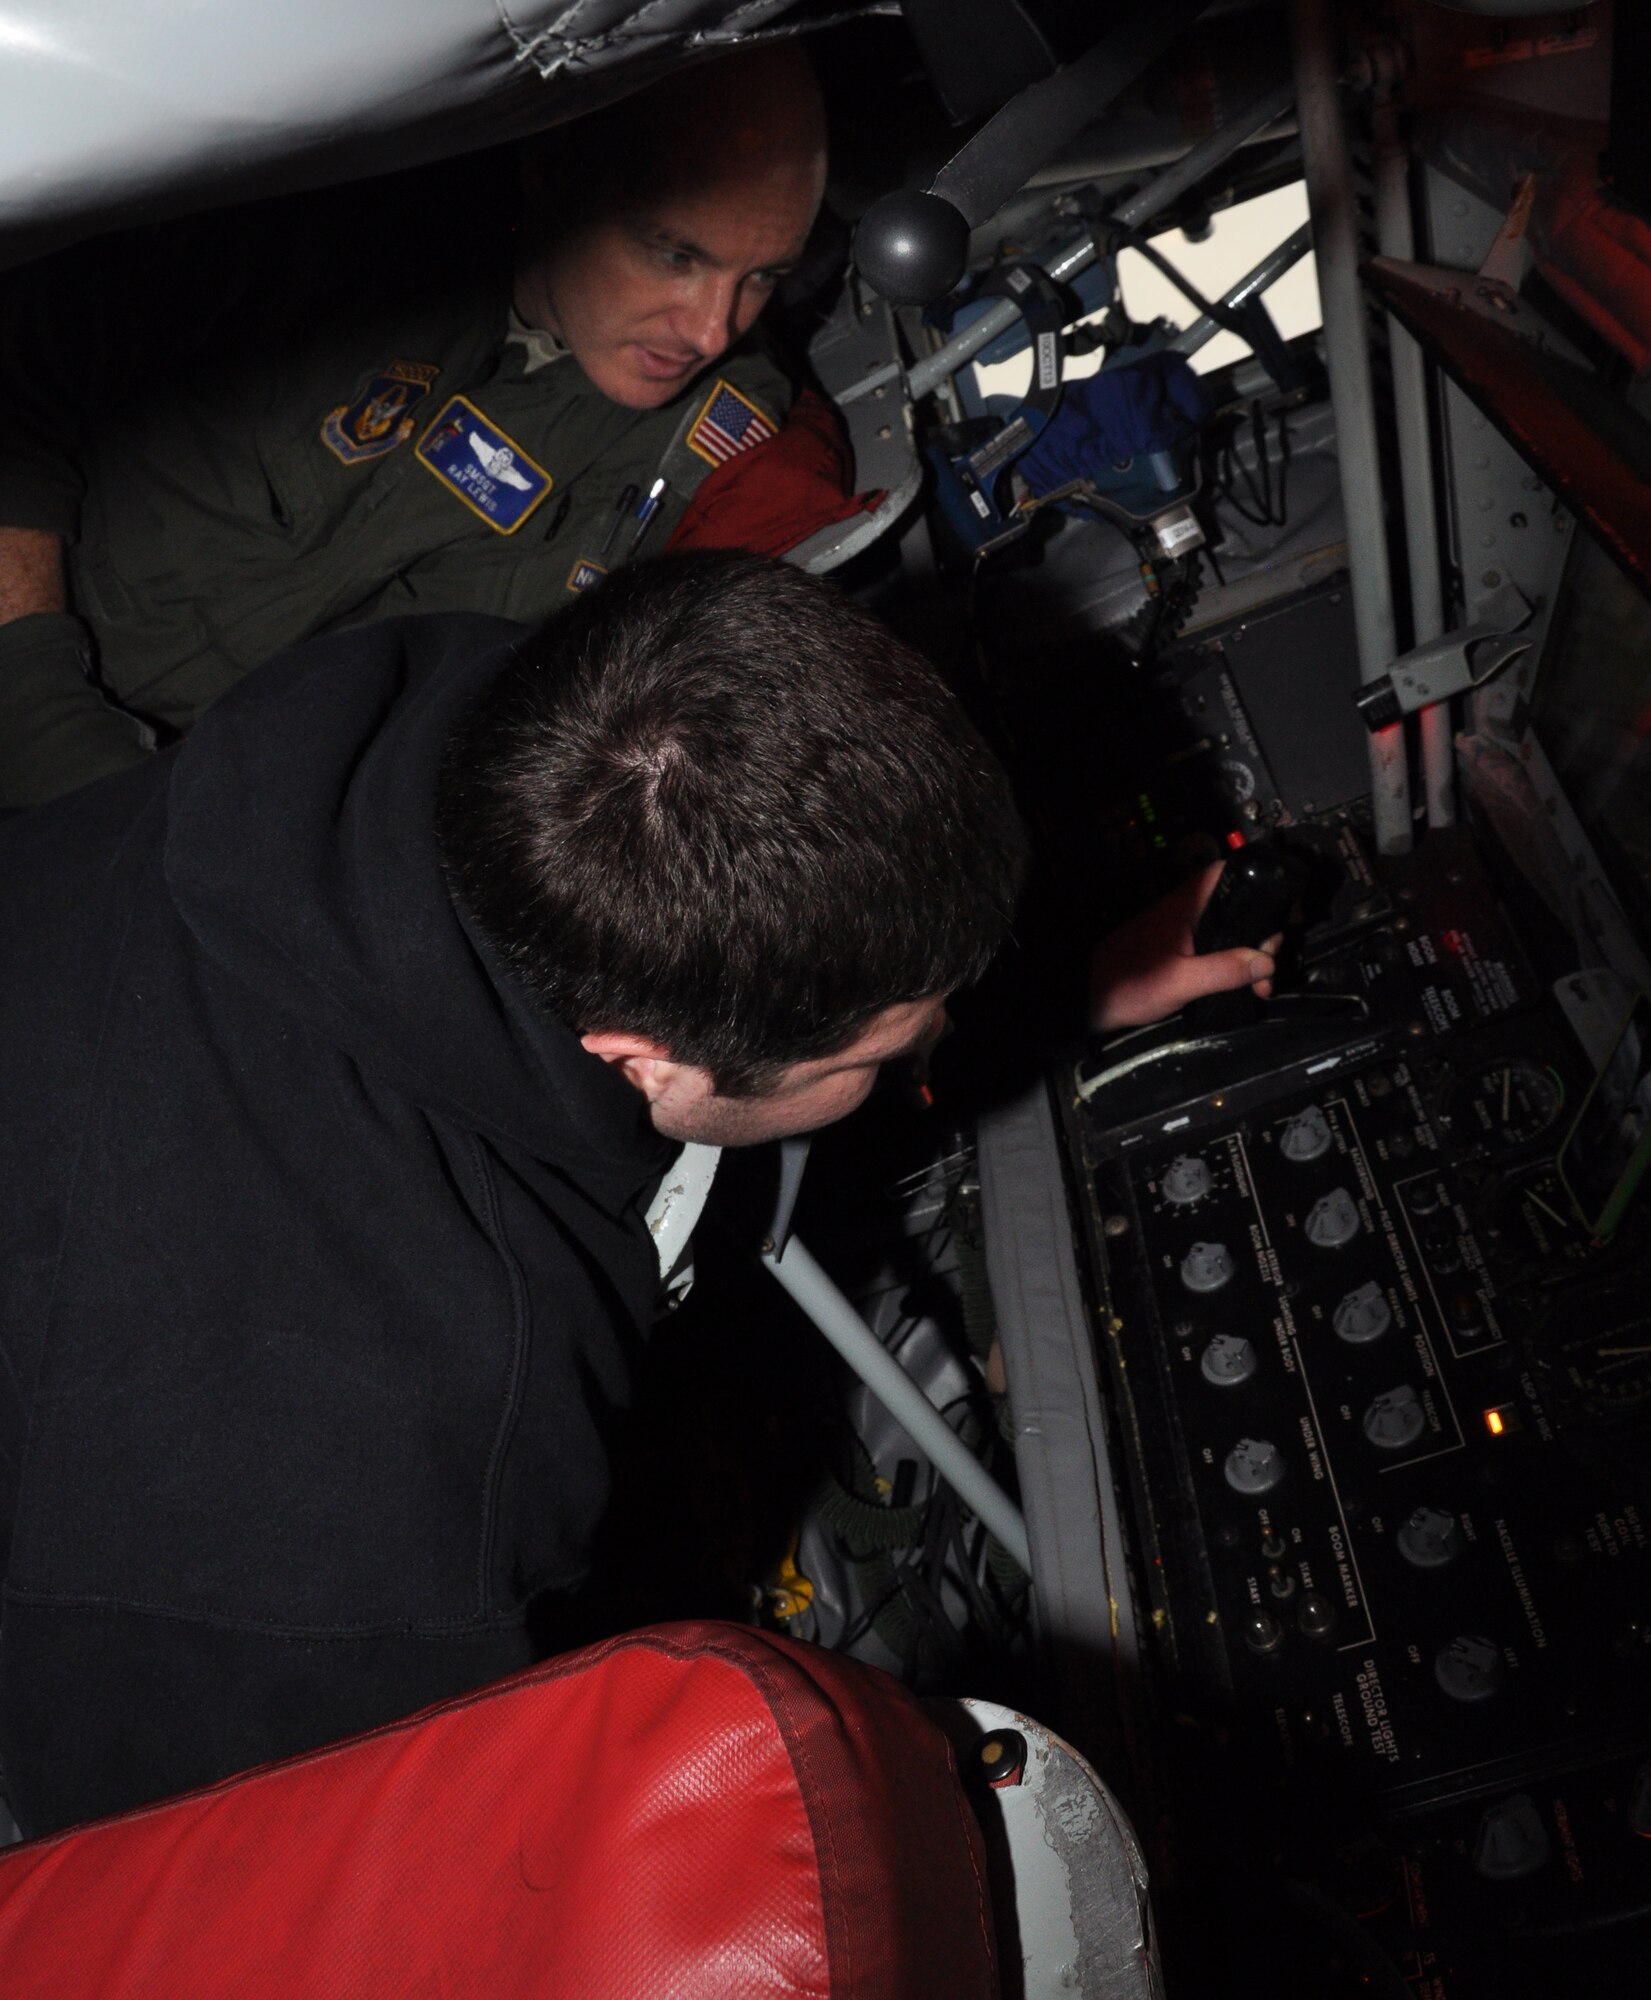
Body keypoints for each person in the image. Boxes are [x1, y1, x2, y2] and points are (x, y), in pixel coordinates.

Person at [0, 550, 1273, 1838]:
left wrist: (1075, 988)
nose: (925, 1048)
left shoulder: (508, 733)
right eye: (880, 1057)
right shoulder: (389, 1513)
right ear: (639, 1059)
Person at [0, 43, 832, 808]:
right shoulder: (325, 222)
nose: (711, 330)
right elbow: (27, 379)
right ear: (553, 170)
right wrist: (31, 691)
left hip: (190, 837)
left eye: (761, 277)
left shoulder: (709, 439)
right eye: (673, 256)